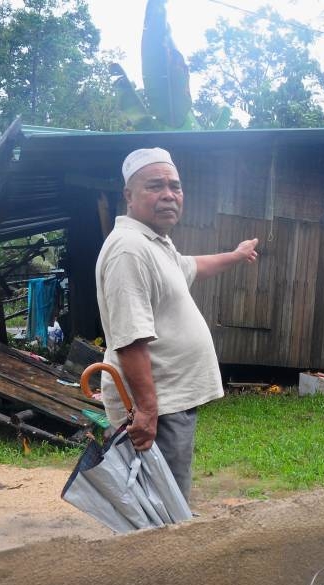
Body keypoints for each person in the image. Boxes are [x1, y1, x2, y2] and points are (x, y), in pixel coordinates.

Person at [95, 147, 259, 499]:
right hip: (158, 407)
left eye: (175, 186)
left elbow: (193, 265)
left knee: (163, 499)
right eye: (155, 186)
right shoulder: (129, 250)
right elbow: (130, 337)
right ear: (129, 195)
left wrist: (236, 254)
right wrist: (147, 411)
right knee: (159, 507)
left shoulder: (155, 245)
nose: (169, 194)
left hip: (170, 403)